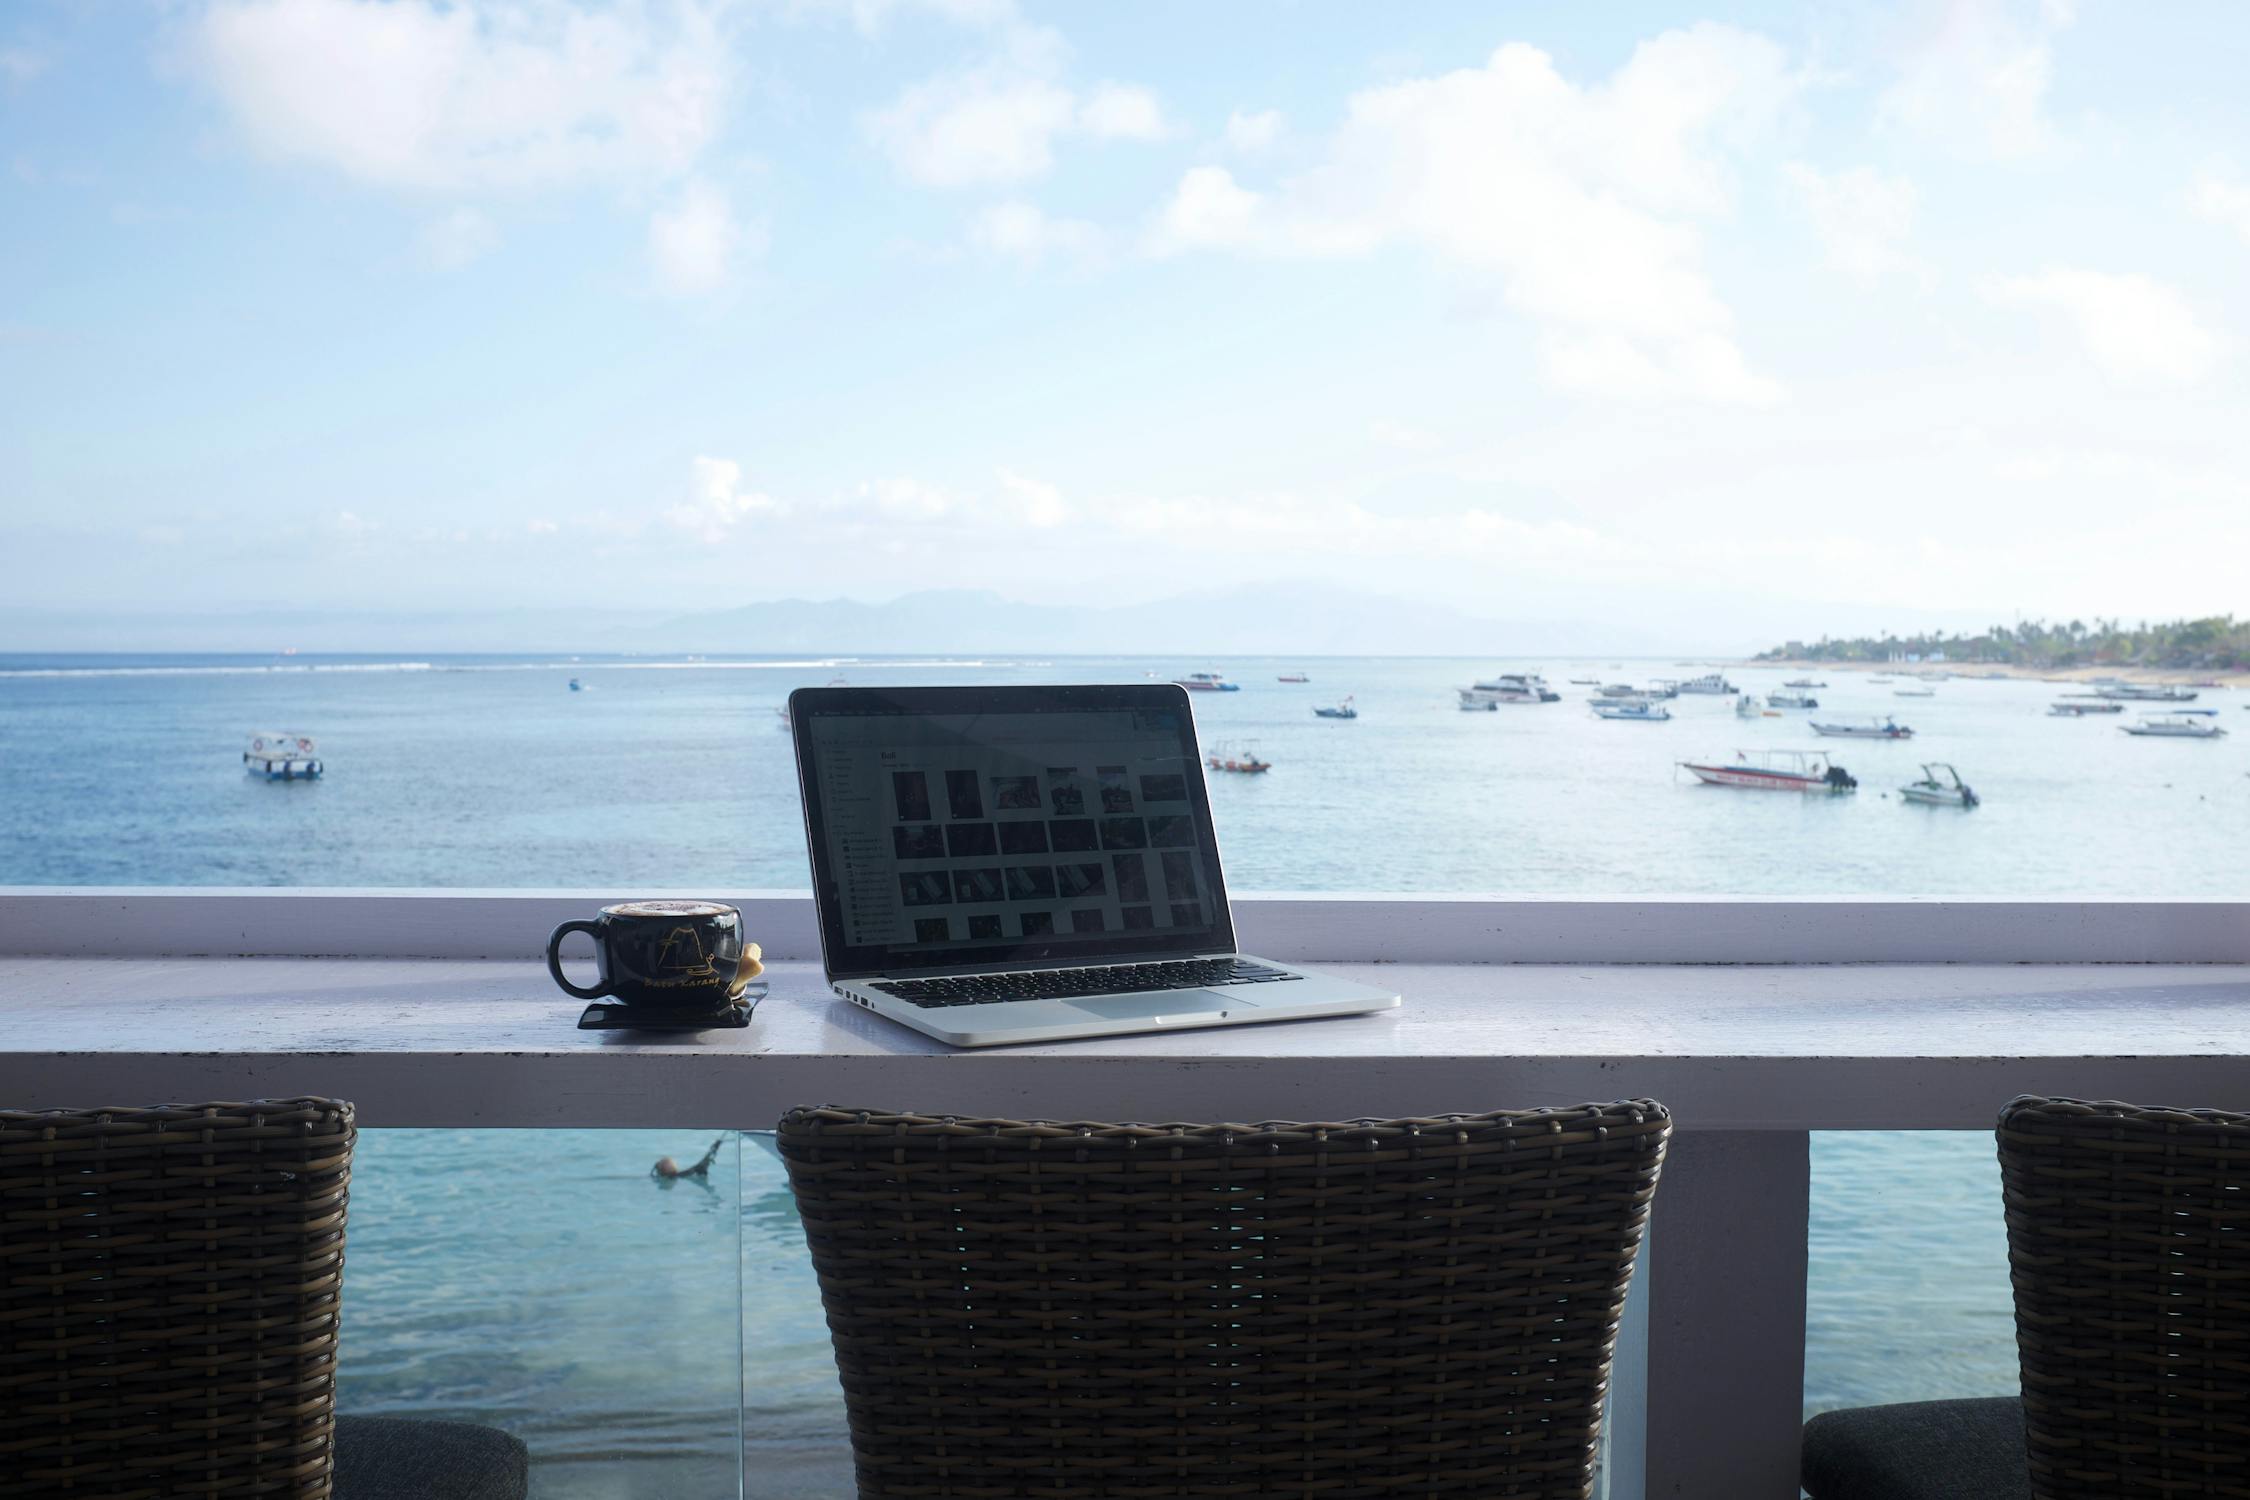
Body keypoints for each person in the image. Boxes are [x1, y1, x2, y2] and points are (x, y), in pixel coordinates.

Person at [652, 1136, 727, 1180]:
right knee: (702, 1165)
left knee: (703, 1164)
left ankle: (713, 1149)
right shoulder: (678, 1175)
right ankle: (714, 1149)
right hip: (697, 1171)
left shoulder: (671, 1177)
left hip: (696, 1171)